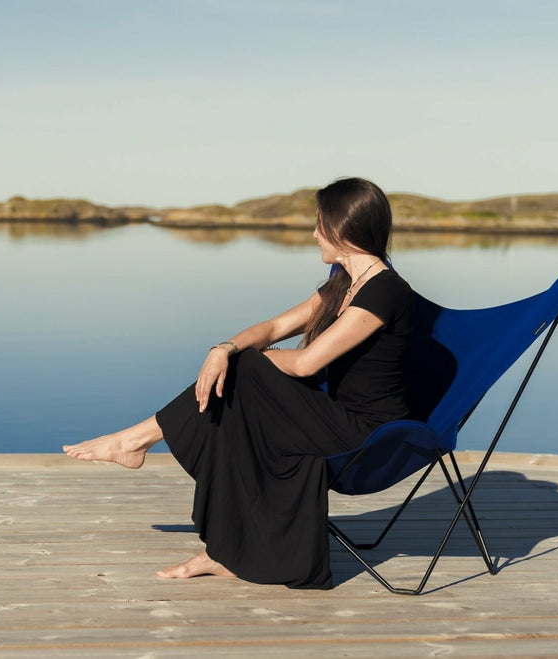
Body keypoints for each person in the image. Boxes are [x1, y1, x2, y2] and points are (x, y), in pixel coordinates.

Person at [63, 177, 414, 589]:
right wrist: (224, 348)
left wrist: (246, 361)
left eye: (320, 224)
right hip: (333, 414)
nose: (314, 233)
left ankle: (136, 442)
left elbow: (305, 364)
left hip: (368, 431)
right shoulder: (345, 284)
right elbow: (276, 326)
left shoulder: (384, 291)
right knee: (239, 378)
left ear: (342, 228)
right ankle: (221, 550)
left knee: (246, 374)